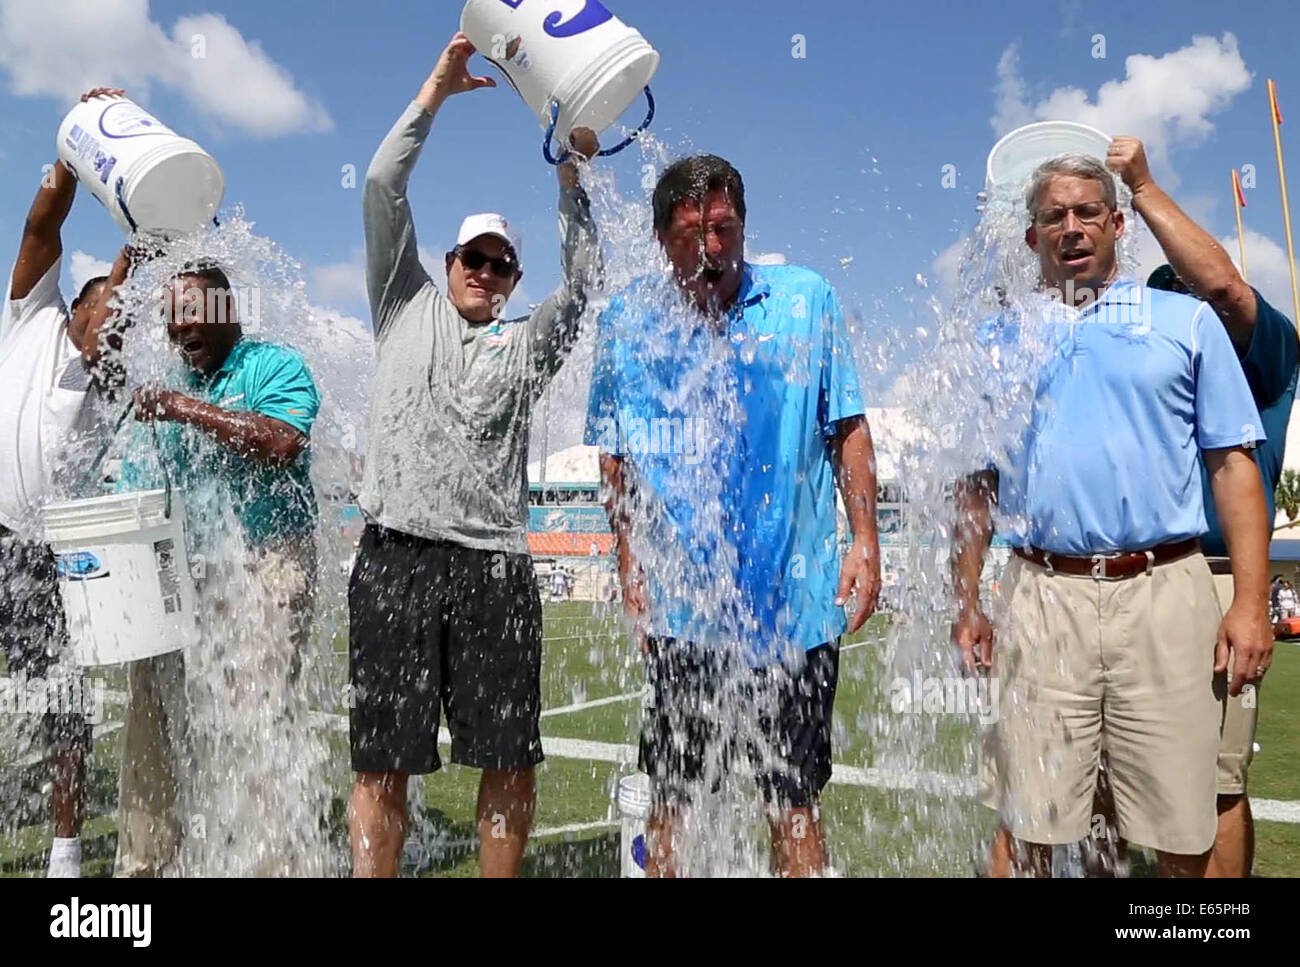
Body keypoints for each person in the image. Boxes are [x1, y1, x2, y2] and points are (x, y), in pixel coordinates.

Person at [954, 153, 1272, 878]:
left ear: (1118, 224)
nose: (1071, 228)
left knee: (1180, 824)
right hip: (1040, 592)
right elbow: (974, 486)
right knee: (1028, 819)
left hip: (1165, 588)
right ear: (1031, 237)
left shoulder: (1184, 321)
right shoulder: (995, 342)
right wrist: (966, 601)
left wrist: (1251, 601)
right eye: (1052, 217)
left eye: (1087, 212)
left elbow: (1233, 467)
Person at [347, 31, 602, 879]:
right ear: (446, 262)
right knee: (381, 760)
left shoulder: (528, 346)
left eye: (503, 265)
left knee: (509, 756)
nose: (488, 273)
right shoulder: (401, 302)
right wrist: (436, 89)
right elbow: (383, 183)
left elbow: (588, 275)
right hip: (395, 559)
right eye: (475, 259)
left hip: (495, 568)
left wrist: (569, 175)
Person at [587, 154, 881, 877]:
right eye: (690, 234)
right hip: (686, 609)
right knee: (673, 799)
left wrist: (865, 539)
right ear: (662, 240)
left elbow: (847, 427)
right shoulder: (628, 322)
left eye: (723, 229)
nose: (710, 250)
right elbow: (616, 458)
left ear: (744, 227)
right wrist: (629, 565)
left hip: (794, 603)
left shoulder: (805, 300)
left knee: (793, 800)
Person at [1104, 134, 1299, 878]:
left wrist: (1143, 187)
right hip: (1128, 580)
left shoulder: (1263, 348)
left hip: (1216, 574)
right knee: (1109, 784)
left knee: (1214, 785)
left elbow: (1222, 289)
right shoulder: (1144, 373)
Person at [116, 262, 321, 876]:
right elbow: (138, 490)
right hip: (186, 573)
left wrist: (182, 409)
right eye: (170, 320)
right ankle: (146, 865)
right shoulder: (169, 387)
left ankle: (266, 863)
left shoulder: (272, 366)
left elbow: (282, 440)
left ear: (228, 311)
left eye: (191, 314)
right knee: (147, 712)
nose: (179, 330)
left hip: (266, 565)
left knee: (254, 718)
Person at [0, 87, 131, 878]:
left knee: (62, 705)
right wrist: (78, 150)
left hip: (49, 561)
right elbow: (42, 223)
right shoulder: (33, 315)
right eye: (111, 308)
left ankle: (65, 848)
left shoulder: (112, 383)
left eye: (129, 321)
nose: (119, 324)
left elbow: (138, 269)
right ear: (79, 303)